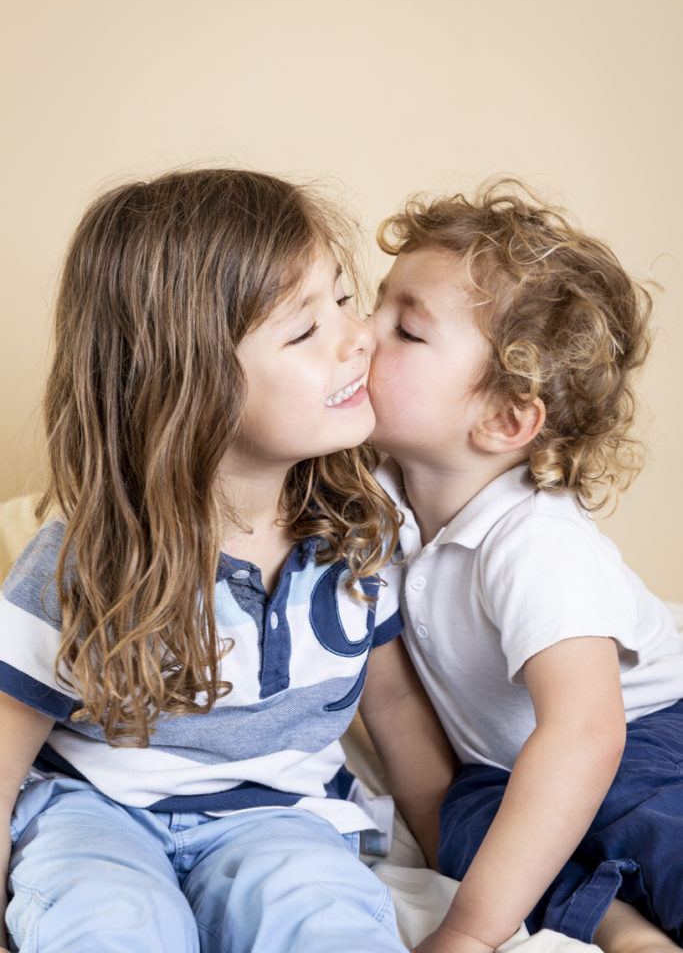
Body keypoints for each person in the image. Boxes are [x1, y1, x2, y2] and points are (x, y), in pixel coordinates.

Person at [0, 168, 455, 953]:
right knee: (112, 925)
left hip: (279, 818)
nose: (359, 337)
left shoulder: (359, 532)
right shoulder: (77, 566)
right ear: (191, 387)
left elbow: (399, 716)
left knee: (325, 918)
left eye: (343, 299)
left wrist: (469, 875)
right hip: (94, 814)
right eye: (305, 330)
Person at [367, 177, 683, 953]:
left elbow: (583, 732)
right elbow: (399, 713)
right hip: (506, 763)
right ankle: (617, 927)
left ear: (504, 419)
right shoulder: (370, 496)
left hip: (640, 735)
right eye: (369, 304)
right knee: (465, 821)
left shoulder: (535, 540)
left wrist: (473, 933)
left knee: (654, 830)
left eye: (404, 331)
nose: (356, 334)